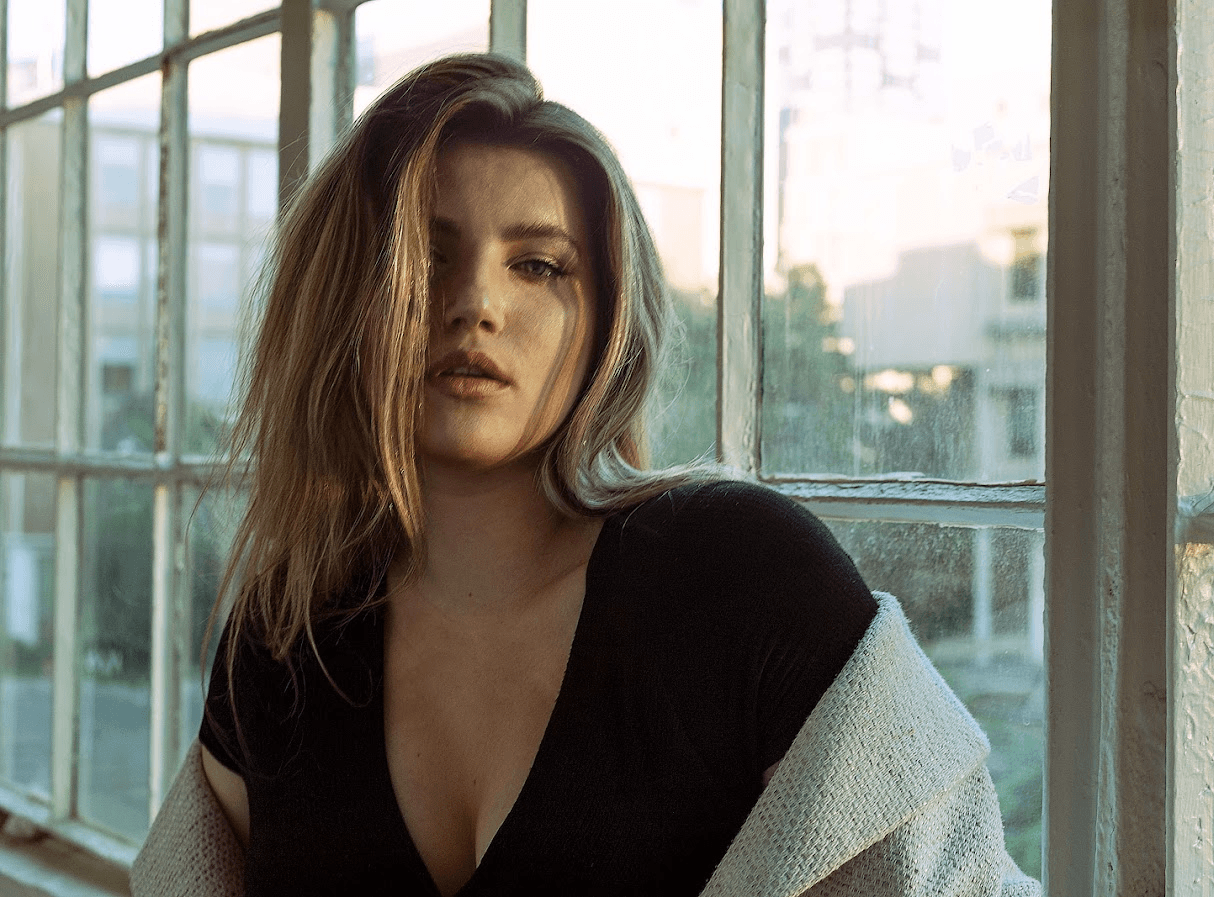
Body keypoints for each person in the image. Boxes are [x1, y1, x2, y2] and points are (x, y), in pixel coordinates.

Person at [131, 53, 1040, 896]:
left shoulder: (741, 575)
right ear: (345, 296)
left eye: (538, 266)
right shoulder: (284, 635)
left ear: (607, 319)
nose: (476, 303)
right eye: (428, 255)